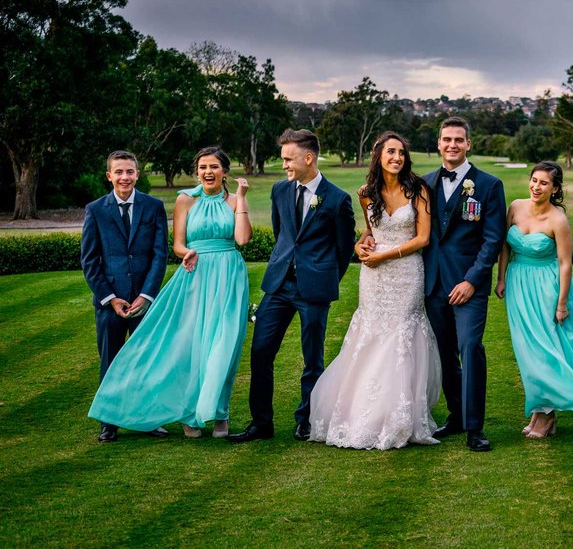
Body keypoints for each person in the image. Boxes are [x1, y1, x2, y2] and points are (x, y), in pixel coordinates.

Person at [88, 147, 251, 438]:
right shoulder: (183, 200)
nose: (208, 171)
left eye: (214, 166)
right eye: (202, 166)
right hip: (188, 279)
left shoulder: (230, 201)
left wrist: (242, 199)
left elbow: (238, 239)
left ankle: (212, 414)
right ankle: (115, 422)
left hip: (225, 280)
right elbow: (173, 246)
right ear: (109, 175)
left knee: (219, 348)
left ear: (224, 171)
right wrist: (187, 251)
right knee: (177, 350)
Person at [309, 132, 441, 449]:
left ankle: (398, 415)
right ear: (379, 156)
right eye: (390, 151)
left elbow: (422, 238)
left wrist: (385, 254)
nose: (396, 157)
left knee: (400, 336)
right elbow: (372, 229)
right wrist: (362, 242)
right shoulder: (367, 192)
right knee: (371, 333)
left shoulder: (419, 190)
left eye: (400, 152)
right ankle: (360, 412)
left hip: (406, 272)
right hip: (374, 277)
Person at [228, 129, 356, 443]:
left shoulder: (338, 199)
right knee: (260, 353)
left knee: (312, 358)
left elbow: (344, 249)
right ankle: (261, 424)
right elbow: (281, 233)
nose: (284, 164)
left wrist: (323, 278)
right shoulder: (279, 191)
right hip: (278, 286)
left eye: (288, 158)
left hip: (314, 290)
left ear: (308, 158)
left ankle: (307, 420)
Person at [495, 162, 573, 438]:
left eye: (543, 183)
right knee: (528, 352)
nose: (536, 187)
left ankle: (547, 416)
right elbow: (504, 246)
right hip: (519, 285)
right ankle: (540, 412)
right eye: (534, 180)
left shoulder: (558, 220)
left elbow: (565, 264)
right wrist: (502, 277)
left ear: (554, 188)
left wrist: (562, 303)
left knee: (546, 352)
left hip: (548, 288)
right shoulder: (515, 207)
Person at [421, 116, 506, 452]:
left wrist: (472, 281)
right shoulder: (424, 183)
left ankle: (475, 427)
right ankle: (456, 415)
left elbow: (493, 239)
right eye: (446, 139)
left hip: (469, 285)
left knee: (469, 348)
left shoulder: (488, 185)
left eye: (458, 140)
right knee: (444, 354)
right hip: (434, 283)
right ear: (438, 144)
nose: (452, 145)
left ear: (469, 144)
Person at [81, 150, 169, 443]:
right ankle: (110, 422)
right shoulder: (95, 210)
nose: (124, 177)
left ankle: (147, 419)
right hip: (110, 304)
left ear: (137, 174)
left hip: (143, 301)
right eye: (118, 172)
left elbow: (160, 255)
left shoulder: (153, 207)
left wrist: (146, 296)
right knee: (111, 361)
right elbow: (90, 260)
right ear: (109, 176)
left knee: (147, 361)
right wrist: (109, 297)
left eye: (129, 172)